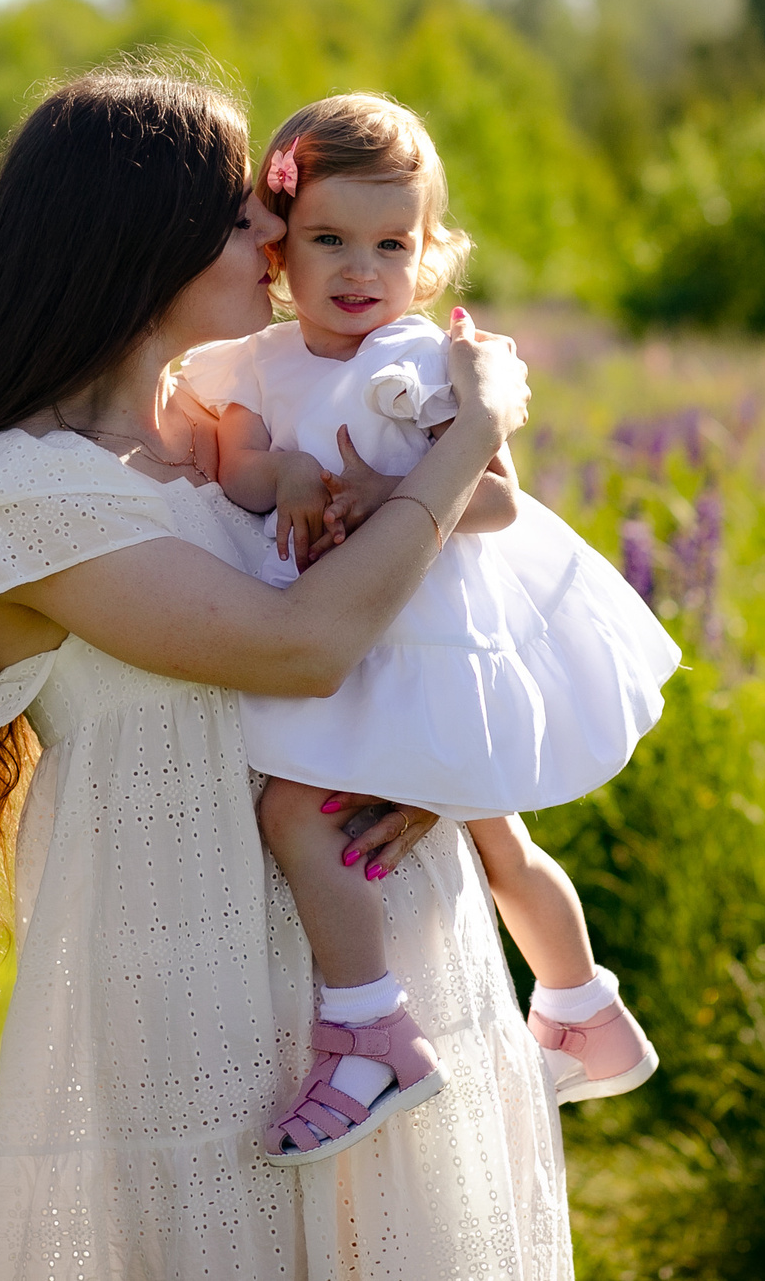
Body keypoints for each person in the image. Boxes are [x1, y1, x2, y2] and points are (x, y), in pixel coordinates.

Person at [0, 66, 572, 1278]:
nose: (274, 235)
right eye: (237, 215)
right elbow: (302, 647)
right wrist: (472, 436)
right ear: (134, 243)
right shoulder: (14, 495)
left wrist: (433, 758)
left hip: (384, 944)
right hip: (191, 974)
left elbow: (430, 619)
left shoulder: (242, 433)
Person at [180, 94, 680, 1164]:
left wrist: (396, 492)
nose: (360, 269)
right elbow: (238, 471)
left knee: (303, 818)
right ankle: (584, 1013)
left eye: (390, 244)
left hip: (425, 644)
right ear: (277, 250)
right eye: (328, 240)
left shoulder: (424, 360)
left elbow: (498, 501)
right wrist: (297, 474)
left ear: (428, 253)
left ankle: (371, 1029)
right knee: (487, 829)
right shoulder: (258, 366)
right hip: (348, 639)